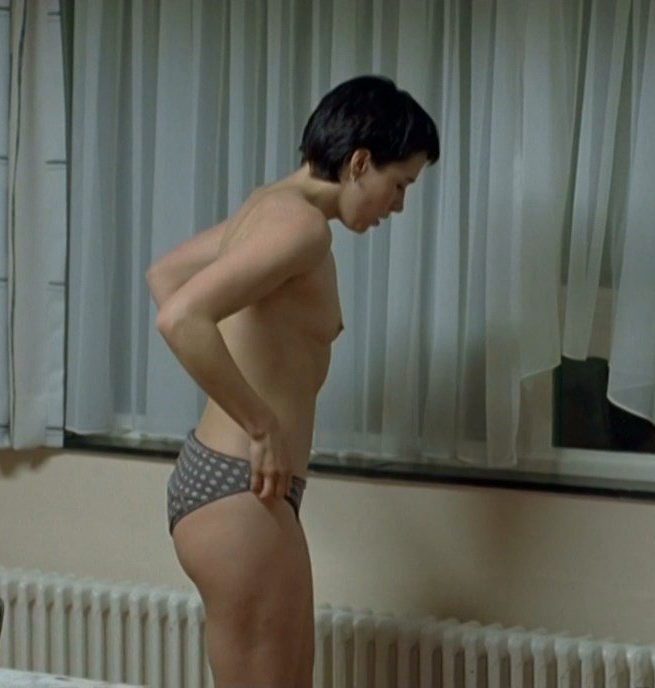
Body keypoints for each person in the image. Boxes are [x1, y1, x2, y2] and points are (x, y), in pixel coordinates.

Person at [145, 75, 439, 688]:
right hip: (240, 489)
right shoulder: (301, 227)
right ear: (360, 162)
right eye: (400, 185)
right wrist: (259, 424)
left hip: (239, 487)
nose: (398, 206)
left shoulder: (268, 207)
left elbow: (165, 275)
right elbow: (180, 315)